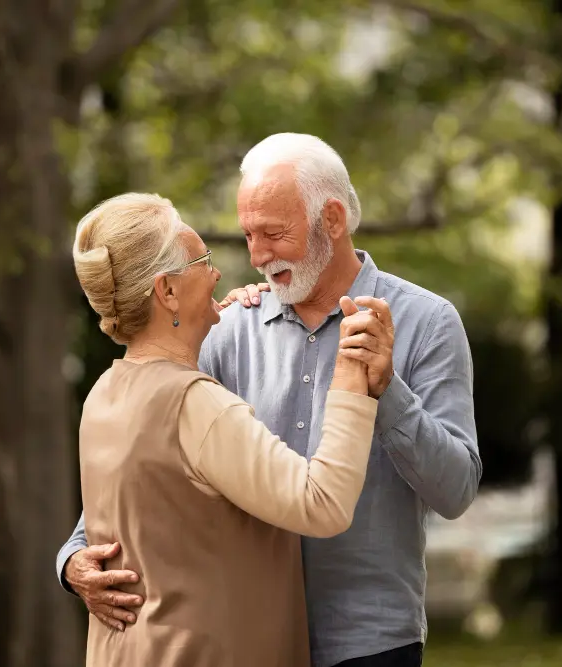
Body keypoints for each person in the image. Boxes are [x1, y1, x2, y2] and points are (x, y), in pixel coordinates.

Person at [58, 134, 482, 667]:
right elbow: (142, 472)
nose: (256, 257)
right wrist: (74, 557)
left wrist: (388, 390)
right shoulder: (224, 330)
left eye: (273, 234)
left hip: (367, 642)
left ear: (331, 219)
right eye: (247, 235)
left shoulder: (426, 323)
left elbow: (457, 491)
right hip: (248, 643)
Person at [69, 191, 384, 667]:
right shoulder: (196, 405)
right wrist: (350, 373)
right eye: (203, 260)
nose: (218, 274)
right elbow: (323, 504)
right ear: (167, 291)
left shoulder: (103, 394)